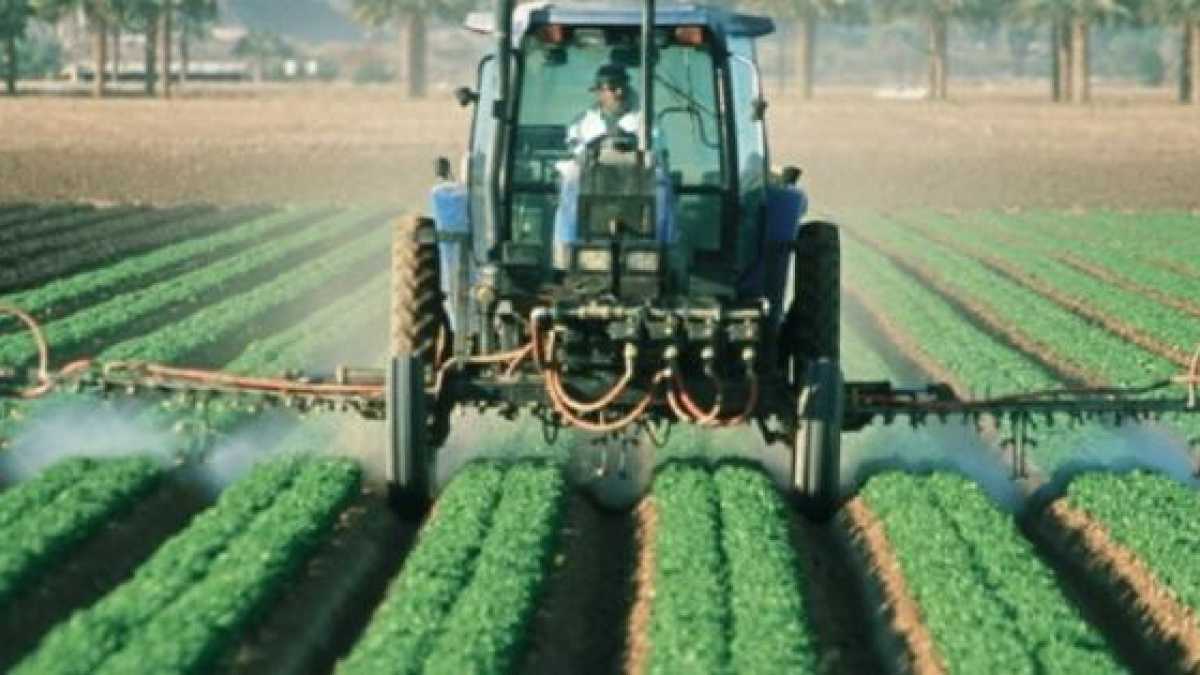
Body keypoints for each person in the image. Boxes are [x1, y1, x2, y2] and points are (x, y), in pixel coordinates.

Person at [553, 64, 675, 269]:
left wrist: (644, 157)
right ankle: (567, 251)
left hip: (635, 182)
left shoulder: (645, 120)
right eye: (613, 87)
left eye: (622, 86)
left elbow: (657, 152)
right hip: (593, 181)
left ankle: (663, 250)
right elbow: (573, 151)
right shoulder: (582, 123)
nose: (619, 92)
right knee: (570, 181)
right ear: (600, 92)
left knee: (662, 181)